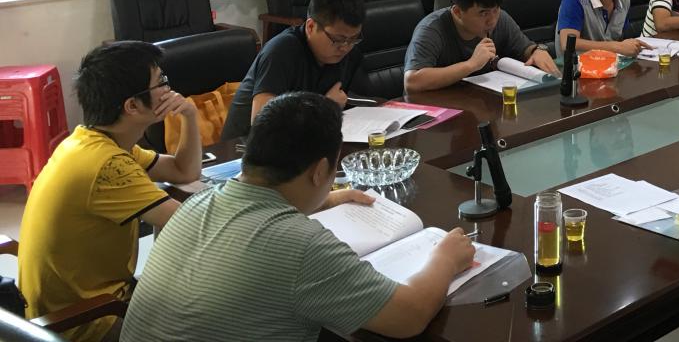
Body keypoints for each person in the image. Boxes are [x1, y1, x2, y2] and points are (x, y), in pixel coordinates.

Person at [121, 93, 474, 342]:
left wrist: (324, 201)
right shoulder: (301, 246)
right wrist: (445, 258)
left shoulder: (195, 204)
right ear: (320, 171)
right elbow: (409, 316)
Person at [19, 42, 202, 342]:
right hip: (85, 322)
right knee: (214, 319)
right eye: (161, 83)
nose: (169, 90)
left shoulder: (90, 140)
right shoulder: (108, 165)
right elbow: (191, 225)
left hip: (74, 305)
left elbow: (184, 171)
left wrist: (190, 116)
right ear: (132, 106)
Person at [222, 0, 366, 141]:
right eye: (338, 39)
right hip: (247, 148)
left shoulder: (346, 54)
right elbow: (262, 126)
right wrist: (326, 107)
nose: (345, 47)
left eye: (353, 39)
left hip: (304, 142)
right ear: (310, 27)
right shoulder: (281, 51)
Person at [403, 0, 559, 93]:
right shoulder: (431, 29)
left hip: (479, 102)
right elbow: (412, 82)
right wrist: (471, 65)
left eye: (495, 10)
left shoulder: (501, 18)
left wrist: (536, 51)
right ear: (458, 12)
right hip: (437, 110)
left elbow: (525, 48)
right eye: (483, 13)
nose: (492, 20)